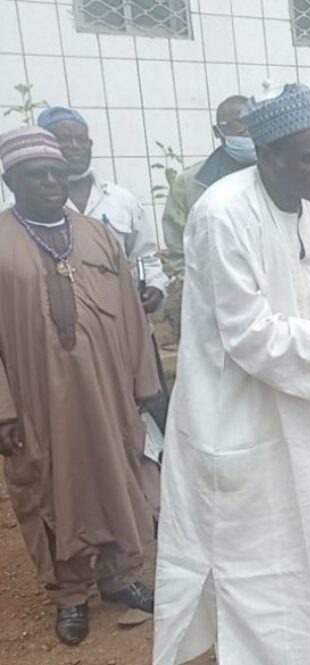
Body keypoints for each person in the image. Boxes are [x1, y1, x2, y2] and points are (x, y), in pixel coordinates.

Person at [153, 83, 310, 665]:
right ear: (267, 156)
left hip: (303, 402)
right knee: (255, 558)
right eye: (309, 158)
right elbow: (247, 333)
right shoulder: (221, 213)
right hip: (235, 407)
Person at [0, 127, 160, 645]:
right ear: (10, 180)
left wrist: (143, 382)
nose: (51, 181)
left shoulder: (97, 234)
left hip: (109, 393)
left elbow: (133, 313)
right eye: (36, 175)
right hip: (37, 401)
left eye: (57, 173)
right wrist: (3, 410)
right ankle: (69, 594)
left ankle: (119, 577)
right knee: (50, 487)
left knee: (117, 475)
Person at [37, 107, 168, 314]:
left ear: (90, 145)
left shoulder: (122, 200)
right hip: (56, 319)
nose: (75, 146)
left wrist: (154, 286)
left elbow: (144, 256)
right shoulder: (24, 207)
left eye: (81, 139)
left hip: (119, 315)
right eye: (64, 140)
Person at [160, 94, 255, 337]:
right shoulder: (191, 183)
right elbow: (178, 252)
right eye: (236, 124)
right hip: (211, 305)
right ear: (217, 131)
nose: (246, 131)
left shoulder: (275, 175)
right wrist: (200, 296)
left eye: (252, 121)